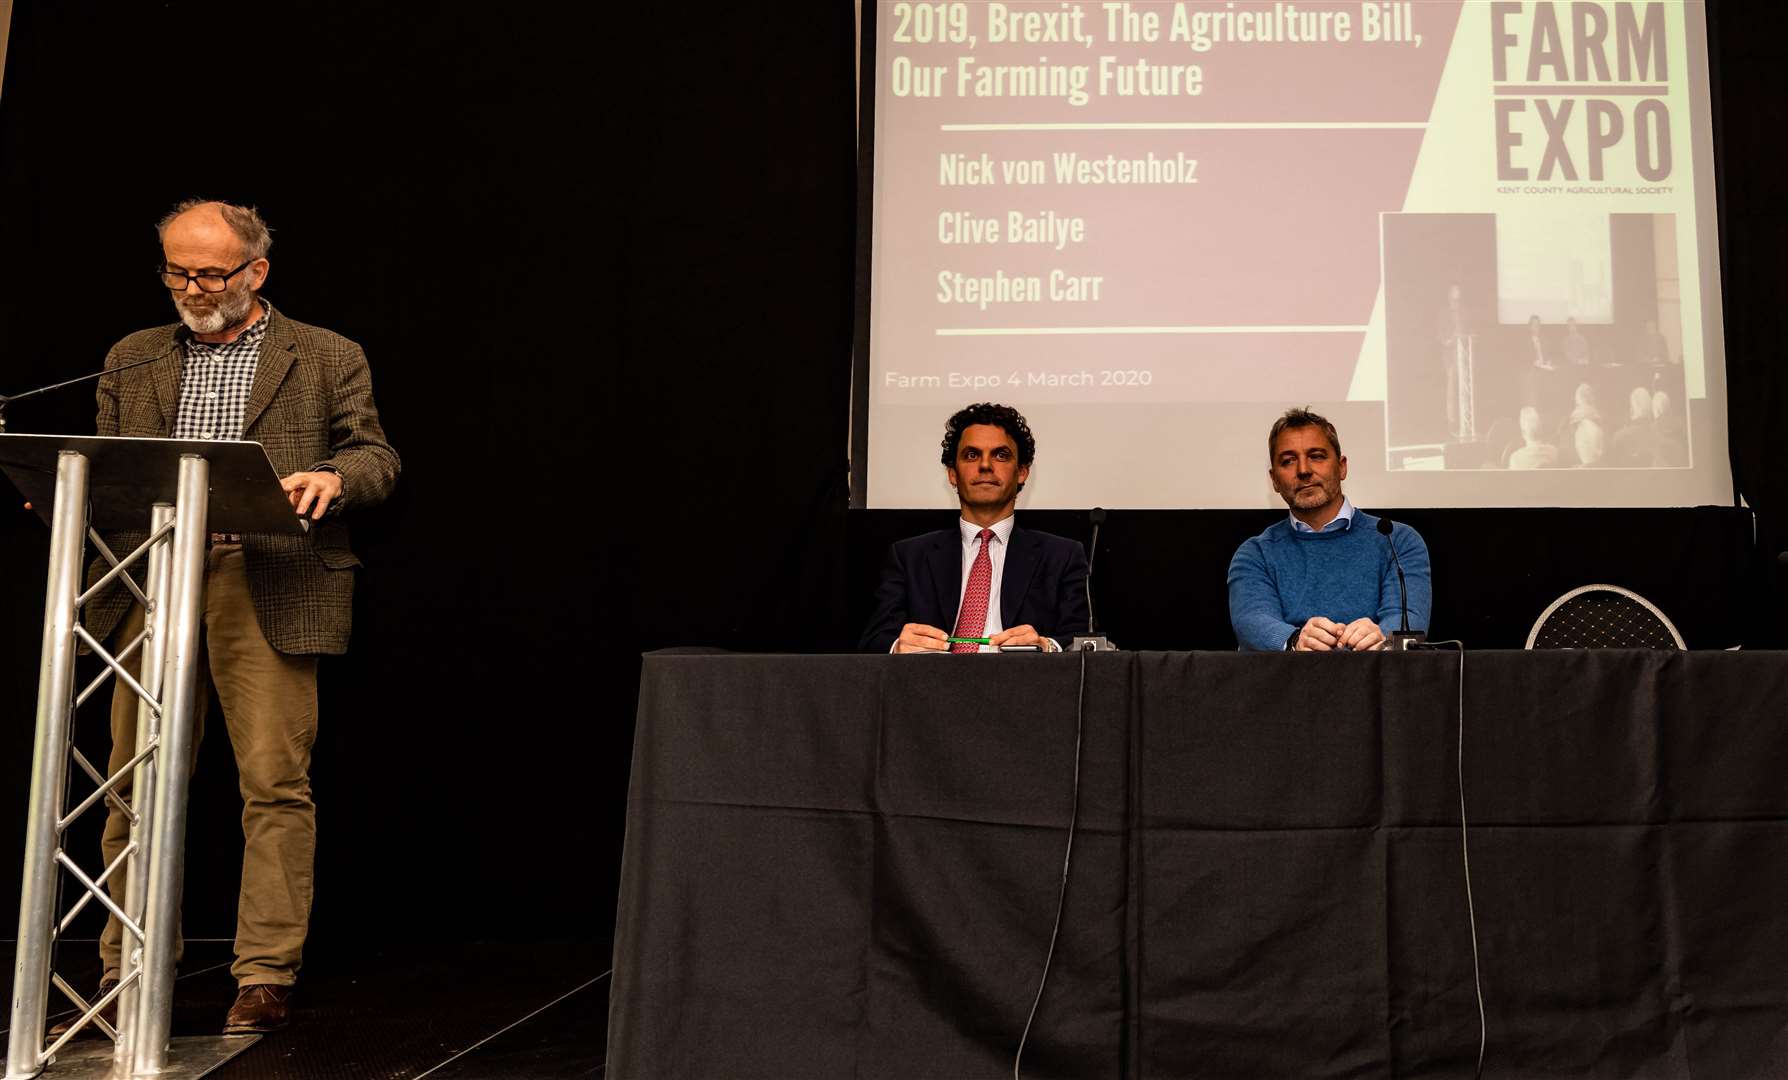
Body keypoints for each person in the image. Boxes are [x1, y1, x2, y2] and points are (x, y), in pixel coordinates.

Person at [63, 199, 400, 1037]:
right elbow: (104, 467)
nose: (191, 287)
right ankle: (125, 965)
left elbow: (375, 455)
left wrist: (333, 475)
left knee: (273, 785)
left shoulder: (324, 354)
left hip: (269, 576)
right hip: (151, 580)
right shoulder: (131, 357)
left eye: (210, 272)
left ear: (257, 270)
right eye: (176, 270)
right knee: (130, 784)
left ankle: (263, 974)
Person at [859, 403, 1088, 653]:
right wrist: (897, 647)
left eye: (1001, 455)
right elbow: (873, 641)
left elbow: (1084, 642)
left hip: (1024, 685)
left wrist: (1046, 646)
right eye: (971, 455)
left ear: (1022, 472)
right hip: (931, 685)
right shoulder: (909, 556)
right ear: (952, 474)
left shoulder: (1062, 556)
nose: (985, 465)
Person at [1228, 408, 1431, 651]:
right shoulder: (1255, 553)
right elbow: (1251, 622)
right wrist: (1296, 640)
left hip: (1375, 682)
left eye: (1316, 456)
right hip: (1286, 684)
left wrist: (1383, 638)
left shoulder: (1396, 541)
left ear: (1342, 467)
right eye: (1288, 461)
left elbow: (1410, 622)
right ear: (1274, 480)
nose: (1303, 470)